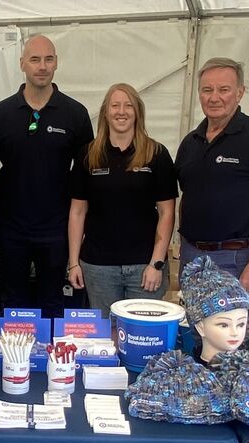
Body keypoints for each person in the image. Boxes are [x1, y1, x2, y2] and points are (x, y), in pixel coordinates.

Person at [0, 35, 93, 318]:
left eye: (48, 59)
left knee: (53, 301)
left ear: (56, 63)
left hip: (56, 229)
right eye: (35, 59)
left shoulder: (75, 114)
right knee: (13, 301)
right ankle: (14, 362)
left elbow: (86, 178)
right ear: (22, 64)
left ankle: (55, 362)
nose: (42, 66)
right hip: (11, 228)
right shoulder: (1, 114)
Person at [175, 57, 249, 294]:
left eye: (224, 89)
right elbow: (187, 195)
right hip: (192, 257)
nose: (214, 97)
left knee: (230, 331)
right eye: (207, 90)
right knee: (193, 329)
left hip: (235, 259)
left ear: (240, 92)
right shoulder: (190, 143)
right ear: (199, 93)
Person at [67, 83, 177, 317]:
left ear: (138, 112)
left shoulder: (156, 153)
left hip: (144, 266)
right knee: (105, 338)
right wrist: (74, 262)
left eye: (128, 106)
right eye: (115, 105)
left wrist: (157, 263)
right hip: (98, 266)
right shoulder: (88, 154)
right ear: (106, 112)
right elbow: (77, 212)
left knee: (144, 337)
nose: (121, 111)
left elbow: (167, 213)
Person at [180, 255, 249, 364]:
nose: (235, 332)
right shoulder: (183, 377)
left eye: (241, 324)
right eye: (224, 325)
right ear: (200, 327)